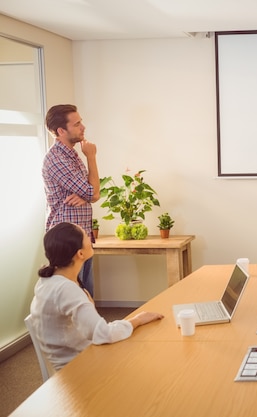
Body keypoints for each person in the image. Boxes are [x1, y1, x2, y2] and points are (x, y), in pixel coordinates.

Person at [30, 222, 164, 371]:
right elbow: (103, 333)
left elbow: (94, 329)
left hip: (76, 359)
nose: (90, 236)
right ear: (80, 253)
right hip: (77, 370)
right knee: (144, 358)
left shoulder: (47, 281)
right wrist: (138, 320)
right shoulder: (66, 289)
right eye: (86, 235)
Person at [42, 104, 99, 297]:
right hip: (67, 242)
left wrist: (87, 195)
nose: (83, 127)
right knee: (75, 298)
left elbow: (93, 193)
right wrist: (91, 157)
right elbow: (93, 193)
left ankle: (93, 328)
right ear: (61, 131)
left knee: (86, 294)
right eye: (77, 124)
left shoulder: (72, 155)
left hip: (81, 236)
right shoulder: (57, 159)